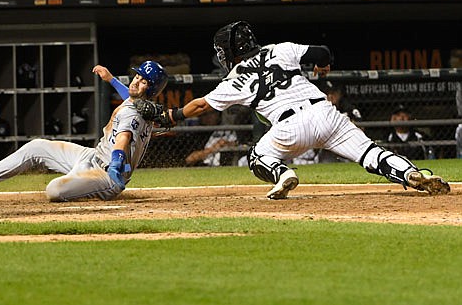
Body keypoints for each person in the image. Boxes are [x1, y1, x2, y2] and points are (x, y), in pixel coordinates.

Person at [146, 20, 450, 199]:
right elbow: (322, 52)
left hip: (290, 127)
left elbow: (200, 105)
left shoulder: (235, 77)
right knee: (370, 153)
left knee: (257, 156)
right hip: (327, 113)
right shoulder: (281, 48)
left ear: (231, 51)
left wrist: (172, 116)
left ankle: (283, 173)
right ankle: (411, 173)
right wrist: (322, 65)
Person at [0, 61, 168, 201]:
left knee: (55, 191)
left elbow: (124, 138)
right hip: (92, 156)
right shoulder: (139, 105)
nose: (136, 81)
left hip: (106, 175)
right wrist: (111, 79)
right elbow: (130, 97)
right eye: (137, 76)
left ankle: (85, 189)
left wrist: (117, 163)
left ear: (151, 89)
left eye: (143, 81)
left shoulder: (134, 114)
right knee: (37, 146)